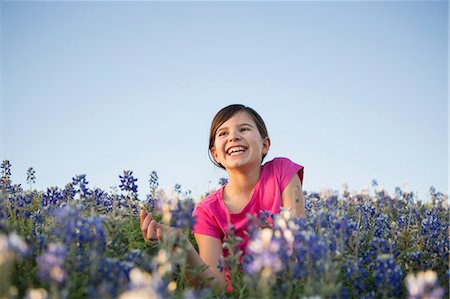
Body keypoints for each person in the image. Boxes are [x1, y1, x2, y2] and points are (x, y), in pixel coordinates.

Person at [140, 104, 304, 290]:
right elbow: (213, 288)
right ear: (215, 153)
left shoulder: (281, 171)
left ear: (265, 144)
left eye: (244, 129)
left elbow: (297, 240)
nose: (234, 136)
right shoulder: (207, 210)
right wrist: (182, 247)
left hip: (290, 286)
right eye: (223, 133)